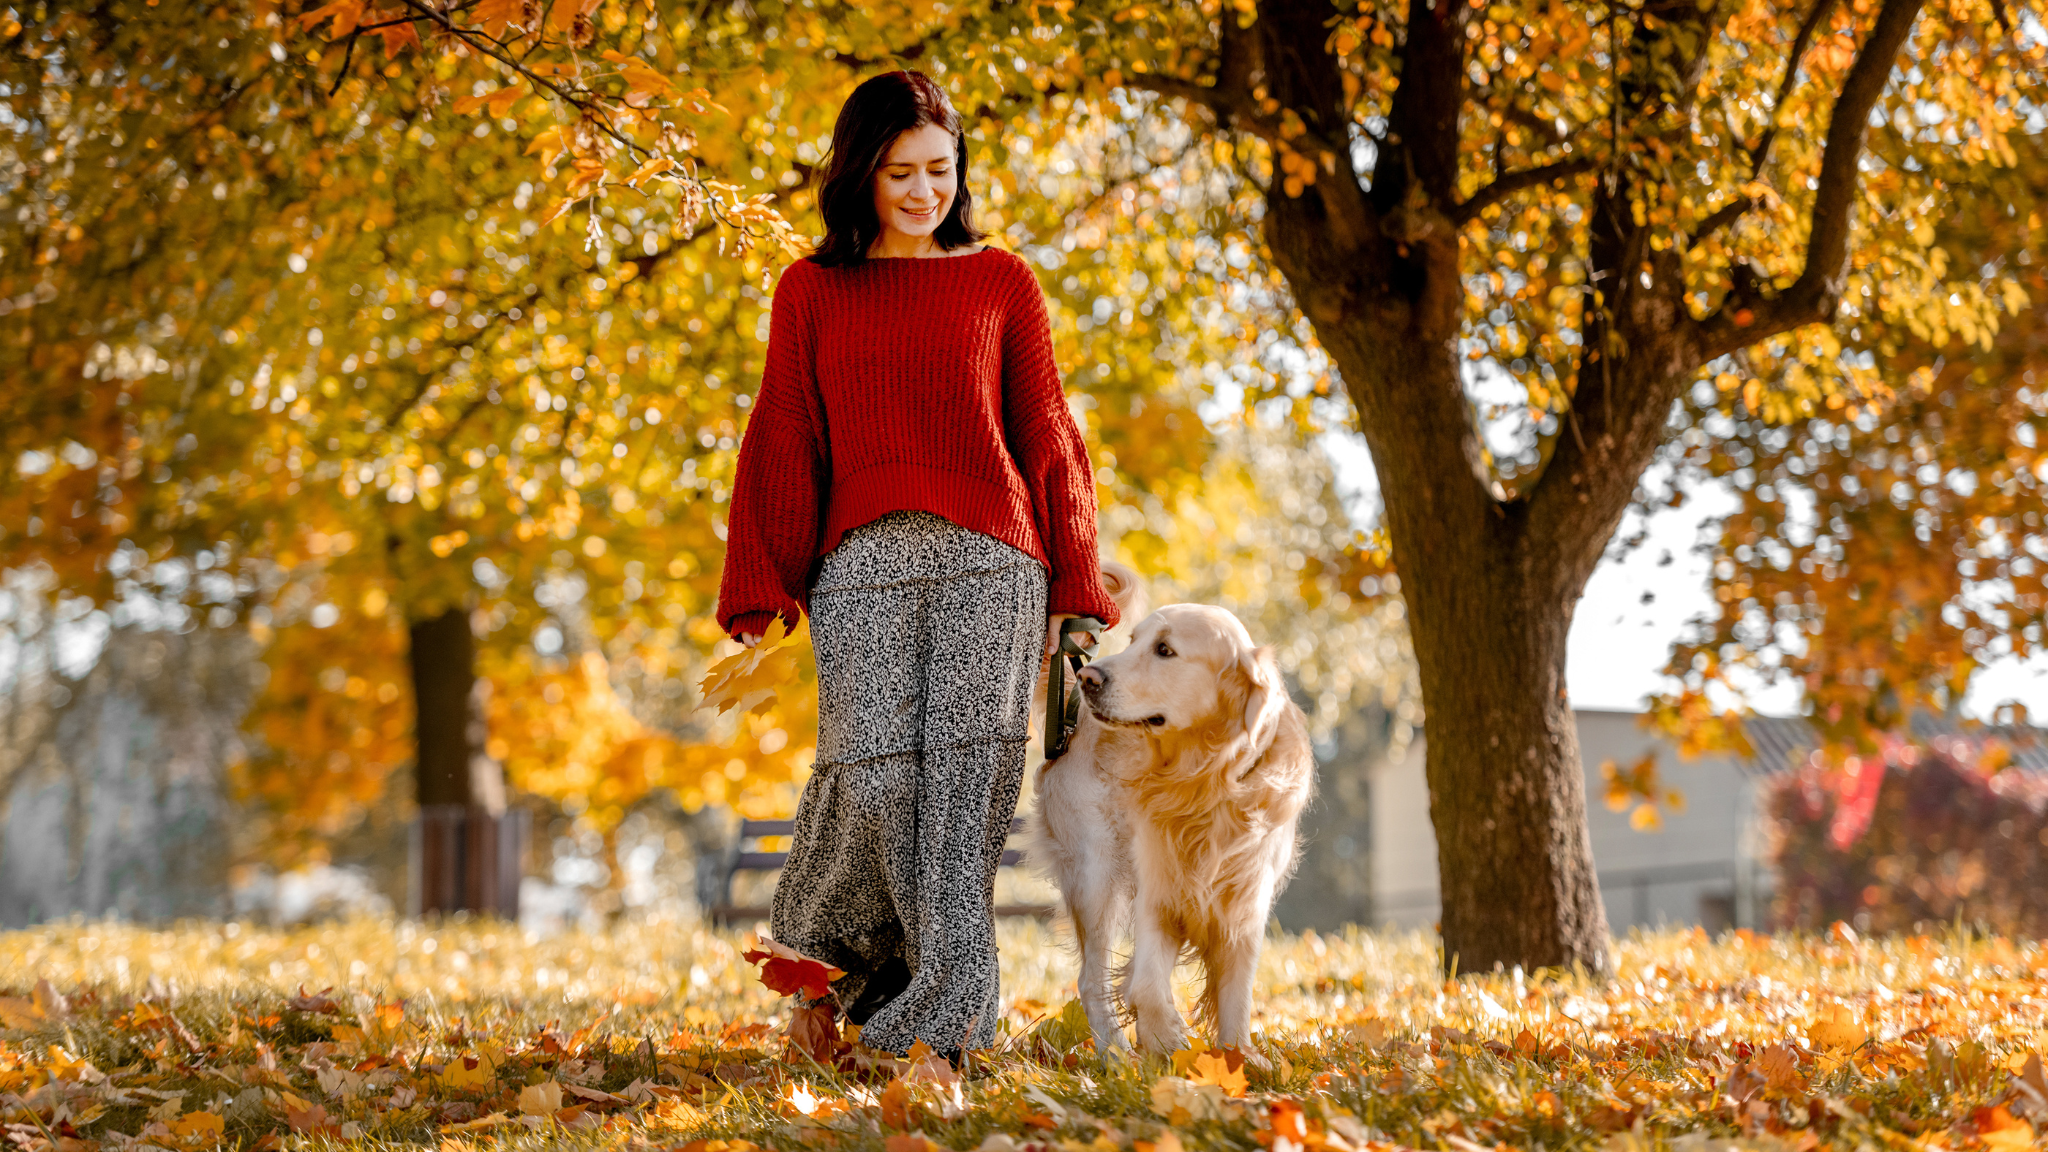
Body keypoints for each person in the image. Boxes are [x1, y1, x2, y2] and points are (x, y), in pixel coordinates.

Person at [714, 70, 1121, 1059]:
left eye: (940, 170)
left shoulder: (1001, 281)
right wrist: (761, 581)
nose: (923, 192)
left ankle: (939, 1035)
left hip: (996, 564)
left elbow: (1046, 433)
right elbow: (786, 432)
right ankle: (833, 966)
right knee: (871, 780)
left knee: (961, 798)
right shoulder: (810, 289)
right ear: (859, 173)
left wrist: (1078, 584)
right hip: (858, 566)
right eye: (901, 172)